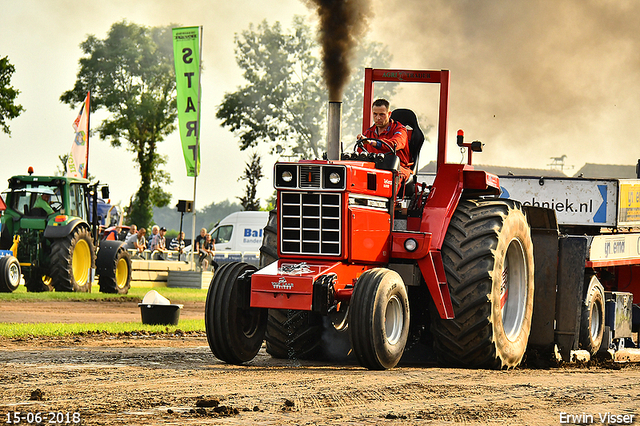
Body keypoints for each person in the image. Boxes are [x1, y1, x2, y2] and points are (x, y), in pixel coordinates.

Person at [357, 98, 412, 186]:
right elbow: (360, 155)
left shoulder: (400, 130)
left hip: (398, 168)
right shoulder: (368, 133)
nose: (378, 118)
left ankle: (391, 200)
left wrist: (372, 142)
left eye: (382, 114)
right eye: (375, 114)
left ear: (389, 114)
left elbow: (395, 144)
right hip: (374, 168)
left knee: (392, 175)